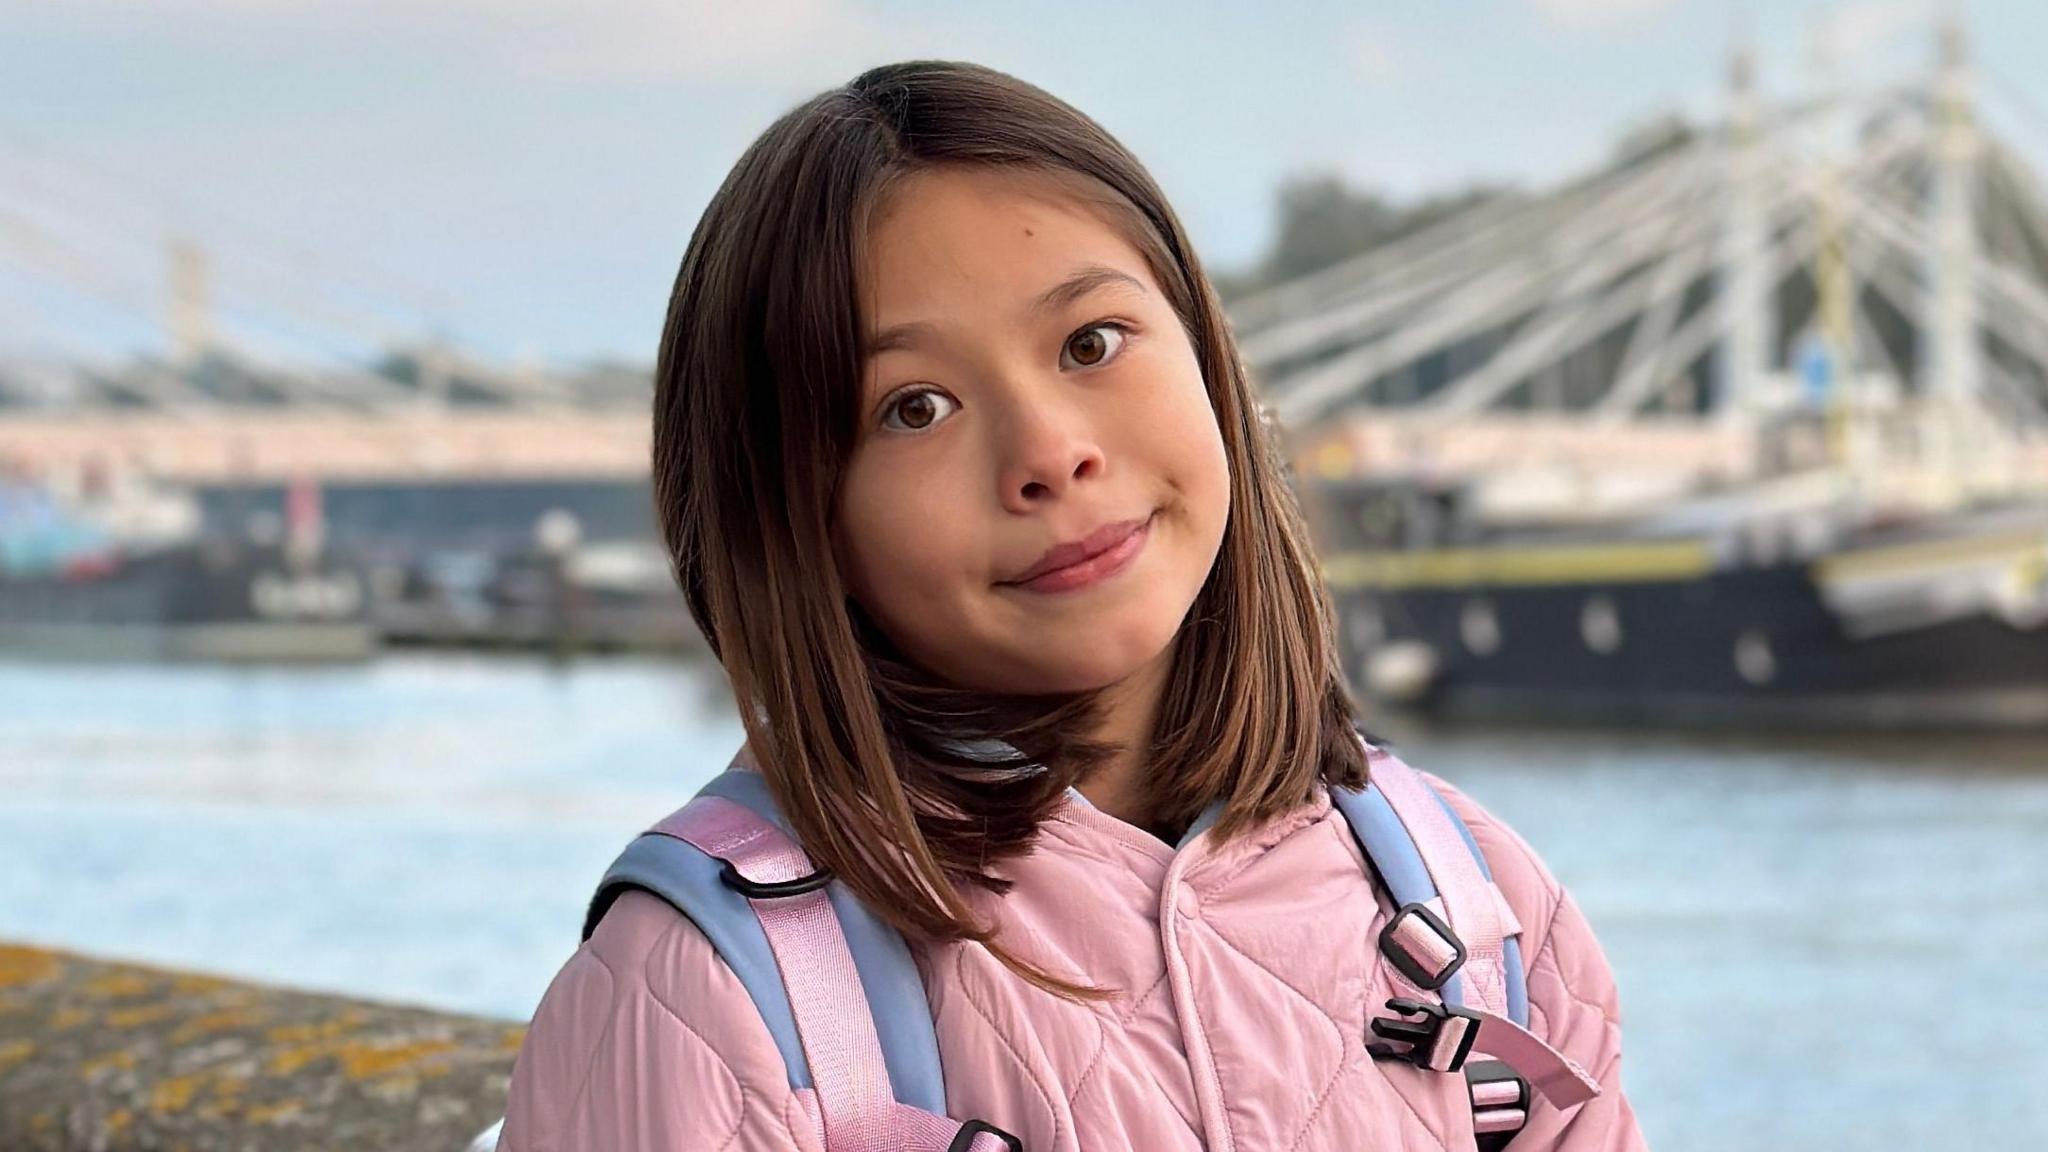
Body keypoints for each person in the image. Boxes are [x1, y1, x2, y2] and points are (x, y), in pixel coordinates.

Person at [497, 59, 1645, 1151]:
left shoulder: (1480, 913)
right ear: (794, 521)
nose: (1049, 454)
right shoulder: (704, 1002)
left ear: (1206, 356)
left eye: (1091, 342)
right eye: (914, 407)